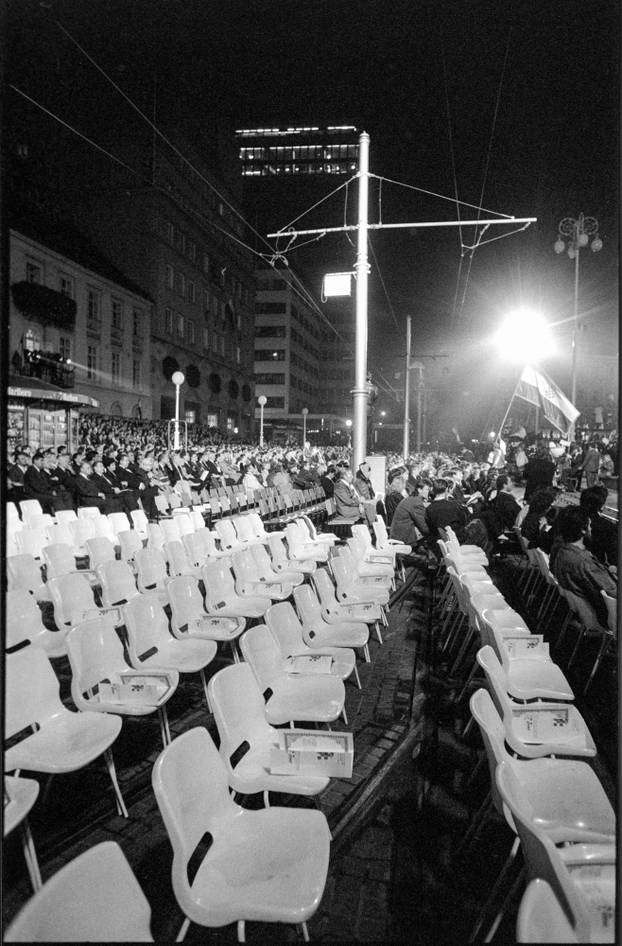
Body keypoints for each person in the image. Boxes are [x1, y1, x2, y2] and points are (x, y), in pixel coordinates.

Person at [550, 505, 616, 627]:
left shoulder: (561, 552)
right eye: (589, 525)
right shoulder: (584, 562)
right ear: (583, 530)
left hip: (587, 611)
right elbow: (613, 592)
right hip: (608, 617)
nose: (591, 528)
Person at [424, 477, 469, 544]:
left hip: (440, 542)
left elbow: (430, 527)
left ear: (433, 490)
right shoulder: (455, 505)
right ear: (446, 489)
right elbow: (464, 521)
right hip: (460, 539)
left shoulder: (428, 509)